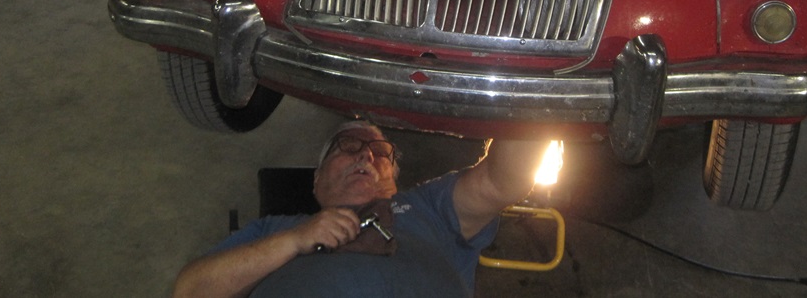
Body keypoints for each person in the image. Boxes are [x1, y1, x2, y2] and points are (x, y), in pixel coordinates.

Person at [171, 121, 549, 298]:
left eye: (381, 152)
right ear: (317, 179)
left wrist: (536, 85)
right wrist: (293, 241)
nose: (366, 155)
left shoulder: (428, 206)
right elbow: (191, 291)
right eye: (348, 146)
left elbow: (504, 180)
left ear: (393, 180)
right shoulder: (275, 230)